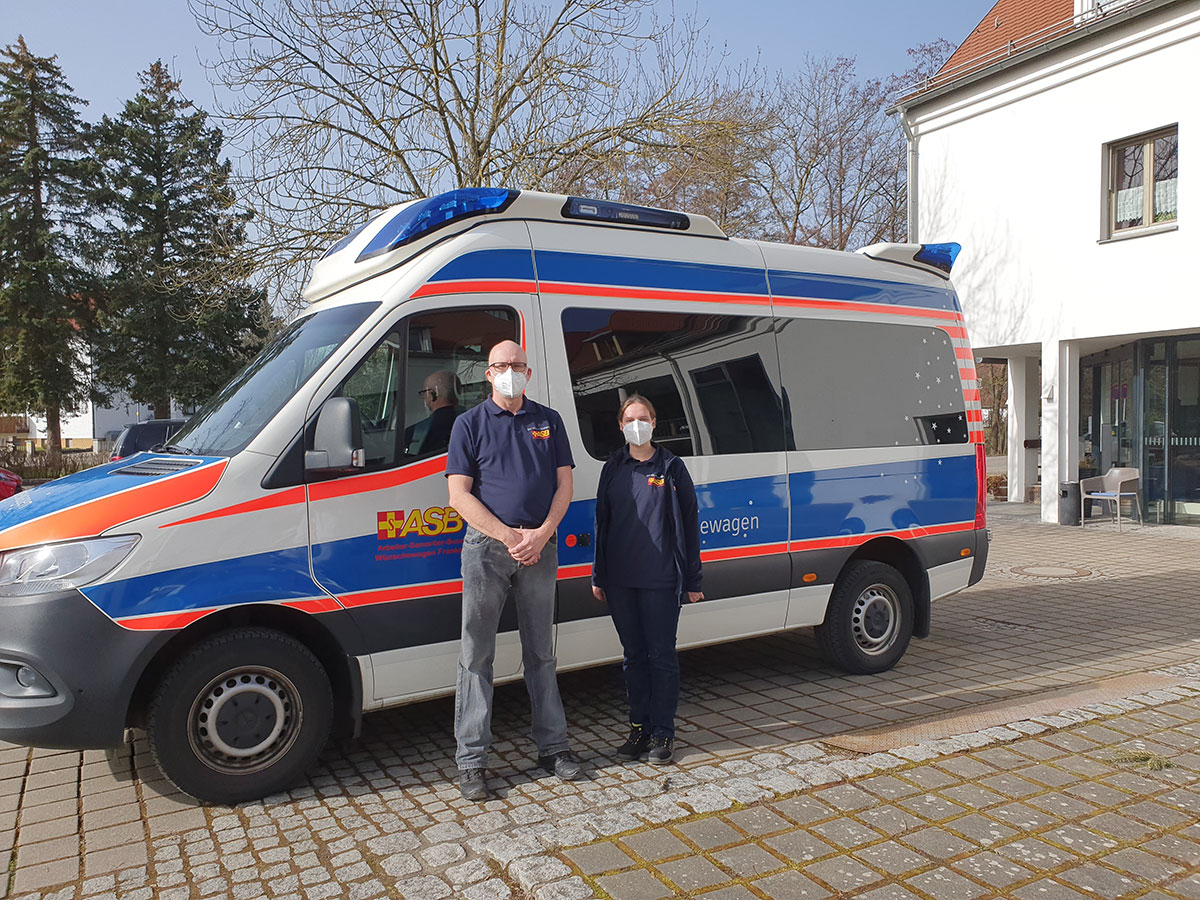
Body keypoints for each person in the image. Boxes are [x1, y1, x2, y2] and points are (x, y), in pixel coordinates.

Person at [445, 340, 581, 800]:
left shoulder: (549, 420)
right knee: (476, 656)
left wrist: (541, 534)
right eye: (500, 366)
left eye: (516, 365)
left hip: (540, 546)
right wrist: (509, 537)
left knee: (541, 652)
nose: (509, 372)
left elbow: (566, 484)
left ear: (528, 370)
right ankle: (473, 762)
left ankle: (554, 747)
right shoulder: (469, 424)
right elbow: (459, 495)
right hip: (487, 548)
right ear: (487, 374)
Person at [592, 395, 702, 765]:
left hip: (660, 579)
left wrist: (692, 578)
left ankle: (662, 732)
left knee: (661, 656)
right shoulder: (613, 467)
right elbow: (601, 523)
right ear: (621, 426)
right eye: (629, 419)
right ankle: (638, 728)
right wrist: (599, 574)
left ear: (654, 422)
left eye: (643, 418)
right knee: (633, 657)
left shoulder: (671, 467)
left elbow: (689, 524)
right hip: (621, 580)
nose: (636, 424)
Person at [405, 369, 461, 457]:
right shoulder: (473, 422)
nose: (424, 398)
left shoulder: (416, 433)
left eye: (424, 393)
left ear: (432, 395)